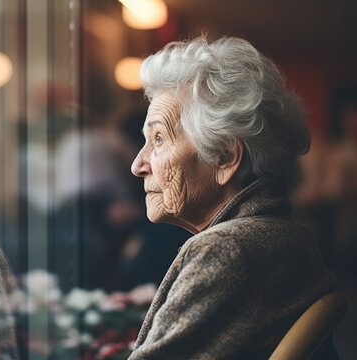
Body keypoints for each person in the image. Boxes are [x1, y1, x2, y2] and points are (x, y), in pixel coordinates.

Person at [127, 36, 338, 359]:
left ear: (224, 156)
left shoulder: (225, 251)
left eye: (158, 138)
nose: (138, 165)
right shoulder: (283, 234)